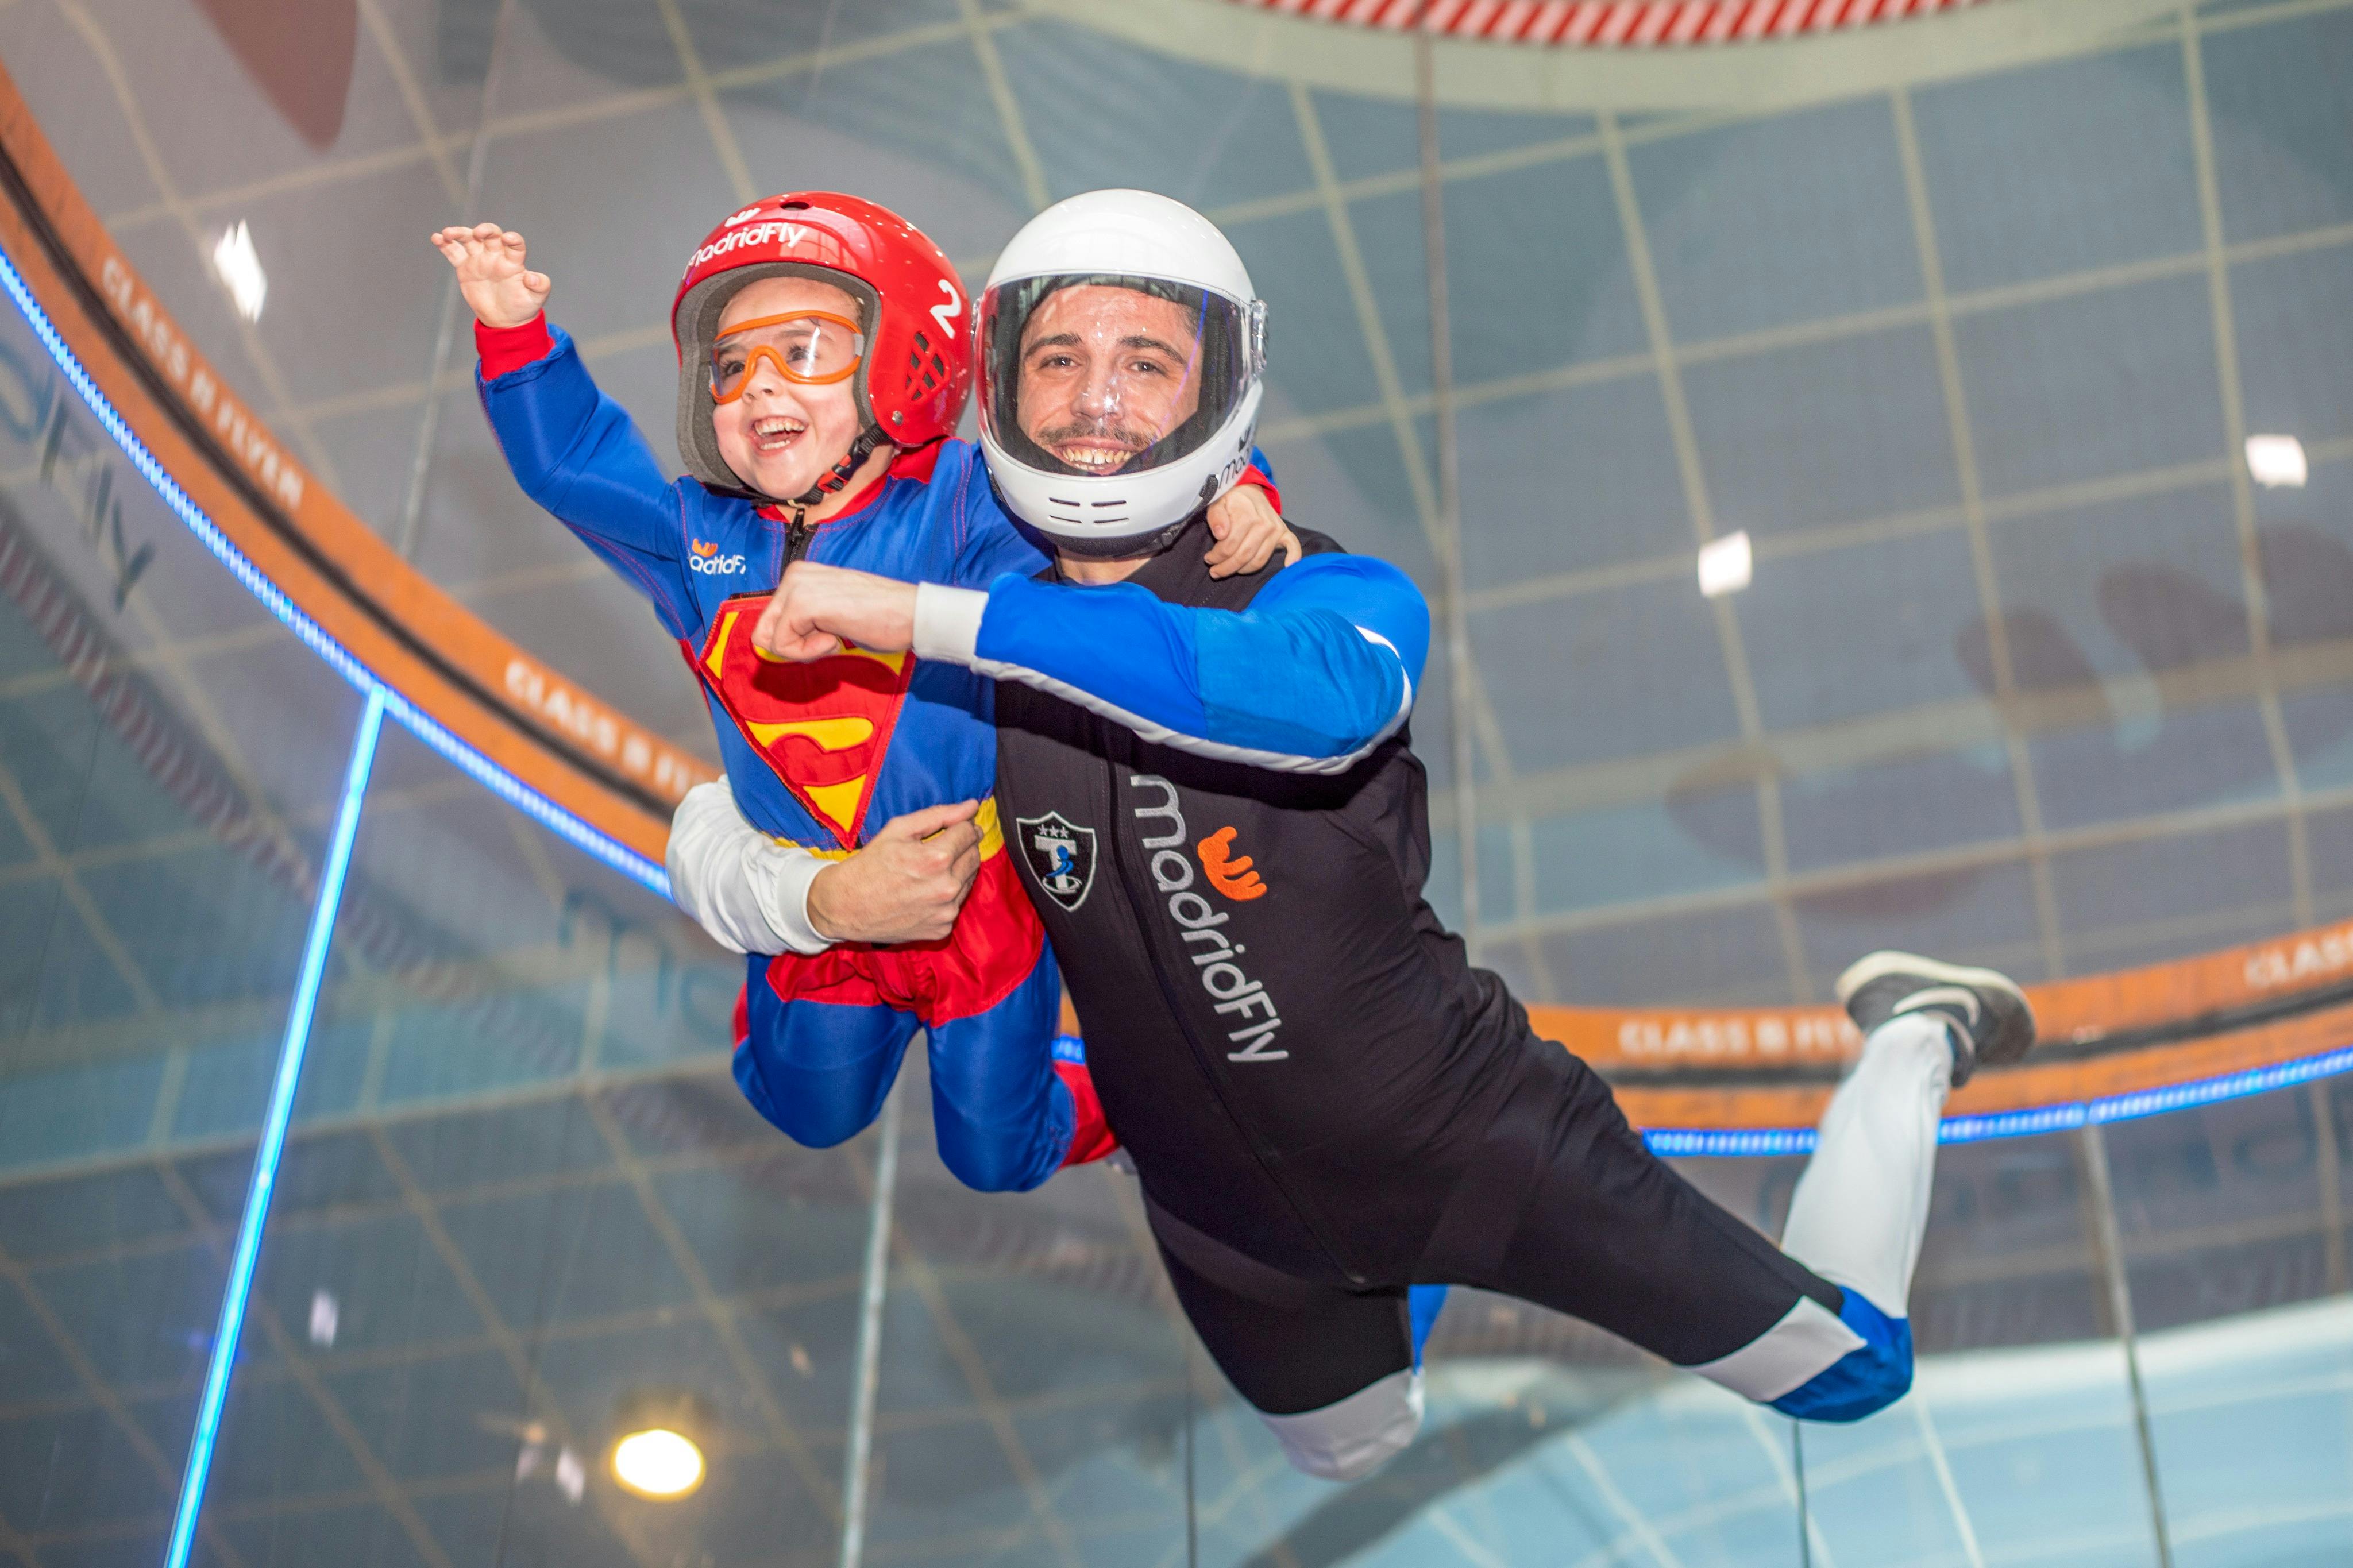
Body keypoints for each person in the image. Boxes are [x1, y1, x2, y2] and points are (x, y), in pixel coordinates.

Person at [676, 189, 2038, 1482]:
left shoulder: (1315, 589)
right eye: (1057, 358)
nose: (1095, 395)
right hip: (1230, 1229)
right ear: (997, 384)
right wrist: (817, 901)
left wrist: (928, 620)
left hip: (1479, 1148)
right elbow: (712, 819)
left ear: (1215, 390)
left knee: (1846, 1372)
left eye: (1146, 361)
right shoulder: (941, 634)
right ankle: (1391, 1277)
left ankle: (1914, 1036)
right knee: (1348, 1450)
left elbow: (1316, 704)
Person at [431, 195, 1298, 1195]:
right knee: (809, 1107)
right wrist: (517, 338)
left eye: (801, 350)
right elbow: (574, 462)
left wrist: (1243, 485)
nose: (758, 385)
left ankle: (1156, 1099)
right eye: (730, 366)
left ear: (904, 358)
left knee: (995, 1153)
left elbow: (1120, 462)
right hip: (821, 909)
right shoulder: (694, 539)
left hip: (980, 900)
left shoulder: (973, 497)